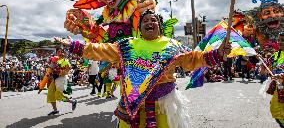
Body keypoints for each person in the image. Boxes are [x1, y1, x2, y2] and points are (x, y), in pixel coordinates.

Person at [56, 9, 231, 127]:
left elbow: (192, 59)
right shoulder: (127, 44)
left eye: (153, 20)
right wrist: (74, 46)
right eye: (145, 20)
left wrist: (217, 54)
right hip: (130, 106)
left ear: (159, 26)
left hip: (163, 103)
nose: (149, 22)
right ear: (140, 28)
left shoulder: (171, 45)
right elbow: (101, 50)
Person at [38, 47, 77, 115]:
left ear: (64, 53)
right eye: (58, 52)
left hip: (61, 79)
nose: (60, 53)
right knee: (50, 94)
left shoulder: (65, 61)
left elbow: (67, 71)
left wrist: (59, 71)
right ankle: (55, 110)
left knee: (58, 96)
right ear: (56, 53)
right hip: (54, 79)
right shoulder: (54, 60)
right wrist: (42, 86)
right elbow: (49, 71)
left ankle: (72, 101)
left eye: (61, 52)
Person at [266, 32, 284, 127]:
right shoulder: (276, 55)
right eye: (279, 40)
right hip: (279, 89)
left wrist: (281, 75)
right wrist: (262, 60)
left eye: (283, 40)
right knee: (276, 110)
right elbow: (266, 70)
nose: (280, 42)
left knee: (278, 111)